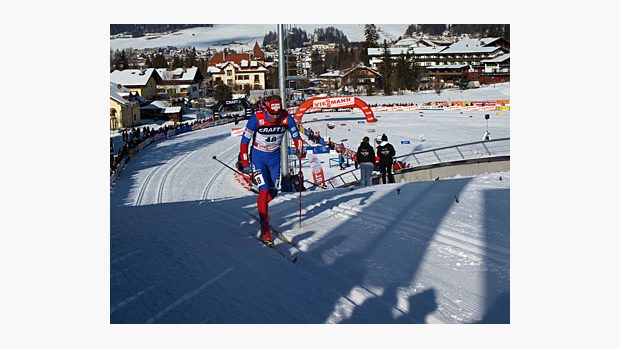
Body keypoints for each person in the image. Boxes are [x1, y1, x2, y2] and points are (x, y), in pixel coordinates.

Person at [239, 95, 305, 246]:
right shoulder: (257, 119)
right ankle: (265, 228)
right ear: (266, 109)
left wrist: (300, 148)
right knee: (263, 190)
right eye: (271, 114)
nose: (274, 117)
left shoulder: (286, 117)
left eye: (277, 114)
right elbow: (244, 142)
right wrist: (245, 162)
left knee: (273, 191)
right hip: (258, 158)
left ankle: (262, 207)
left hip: (274, 159)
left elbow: (296, 136)